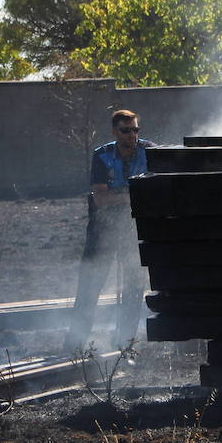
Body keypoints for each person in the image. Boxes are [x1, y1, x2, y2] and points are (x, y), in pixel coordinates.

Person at [72, 109, 155, 350]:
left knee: (132, 286)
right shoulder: (103, 155)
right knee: (91, 281)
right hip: (103, 226)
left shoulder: (149, 151)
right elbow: (100, 199)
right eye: (126, 131)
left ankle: (125, 342)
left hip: (135, 226)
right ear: (114, 132)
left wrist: (119, 196)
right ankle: (76, 342)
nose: (132, 135)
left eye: (135, 130)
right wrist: (134, 195)